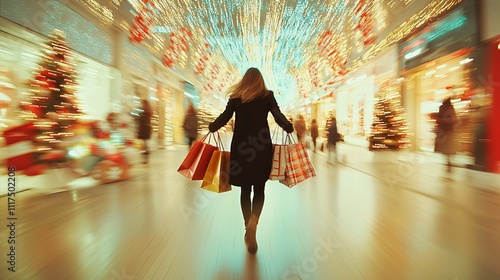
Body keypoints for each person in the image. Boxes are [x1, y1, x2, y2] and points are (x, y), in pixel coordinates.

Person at [208, 67, 293, 254]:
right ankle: (255, 220)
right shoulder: (267, 96)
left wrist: (212, 127)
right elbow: (277, 115)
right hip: (261, 148)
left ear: (245, 81)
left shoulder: (237, 97)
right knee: (259, 189)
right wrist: (288, 126)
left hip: (241, 149)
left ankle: (248, 225)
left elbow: (225, 117)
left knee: (245, 189)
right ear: (260, 80)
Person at [434, 97, 458, 173]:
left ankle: (447, 160)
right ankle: (449, 160)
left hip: (443, 132)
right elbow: (455, 119)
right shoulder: (451, 108)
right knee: (450, 147)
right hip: (450, 132)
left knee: (445, 148)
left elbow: (438, 119)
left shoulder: (442, 108)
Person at [137, 99, 152, 164]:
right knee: (145, 145)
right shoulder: (148, 112)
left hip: (143, 130)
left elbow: (143, 123)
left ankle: (145, 159)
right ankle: (145, 158)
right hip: (146, 130)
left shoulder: (145, 113)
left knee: (144, 146)